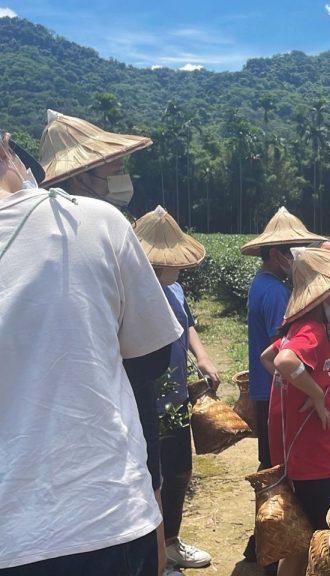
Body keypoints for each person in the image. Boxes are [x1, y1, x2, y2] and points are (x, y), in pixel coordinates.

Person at [0, 132, 181, 575]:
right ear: (6, 147)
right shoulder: (97, 223)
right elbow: (149, 362)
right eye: (113, 167)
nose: (121, 176)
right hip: (98, 514)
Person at [259, 247, 330, 576]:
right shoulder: (309, 328)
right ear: (325, 294)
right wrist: (314, 394)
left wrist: (300, 390)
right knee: (327, 539)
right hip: (314, 461)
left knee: (302, 537)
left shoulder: (322, 328)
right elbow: (282, 361)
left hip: (316, 453)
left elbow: (270, 357)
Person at [239, 206, 325, 565]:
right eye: (294, 253)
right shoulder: (276, 293)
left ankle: (264, 546)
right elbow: (283, 349)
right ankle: (270, 547)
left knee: (272, 472)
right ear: (277, 255)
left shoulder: (262, 284)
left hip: (264, 389)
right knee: (279, 478)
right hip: (273, 395)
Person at [133, 206, 217, 573]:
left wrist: (202, 357)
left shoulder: (176, 289)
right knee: (154, 478)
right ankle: (155, 555)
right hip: (147, 401)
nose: (179, 268)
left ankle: (171, 542)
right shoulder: (134, 291)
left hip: (177, 399)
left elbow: (189, 325)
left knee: (179, 472)